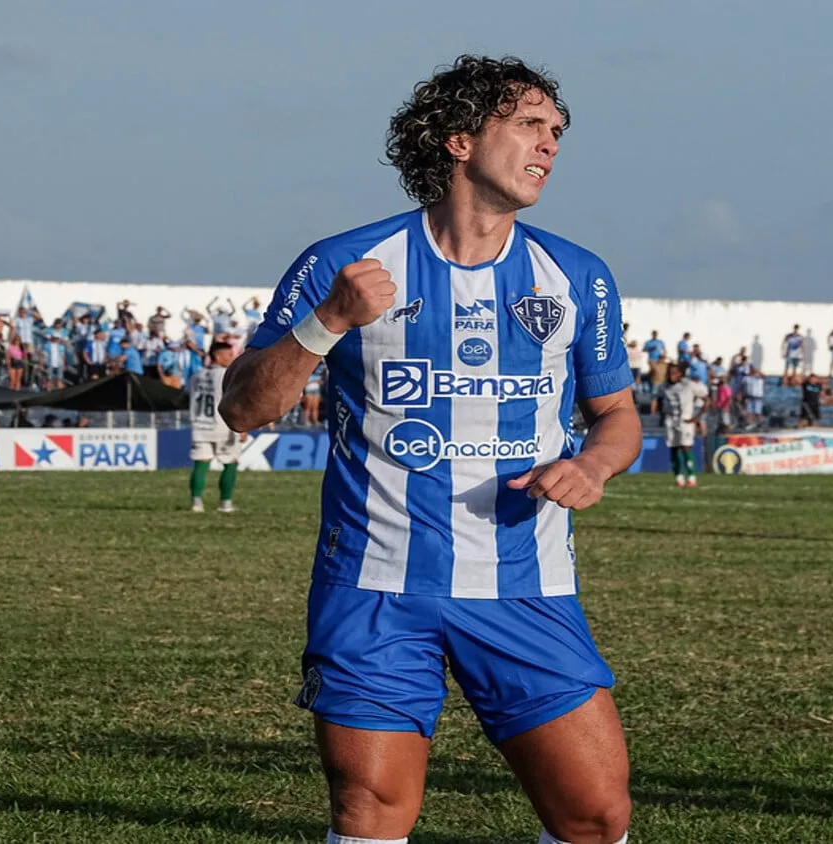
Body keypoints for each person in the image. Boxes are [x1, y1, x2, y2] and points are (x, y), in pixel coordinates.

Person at [217, 56, 639, 844]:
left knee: (595, 814)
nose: (550, 144)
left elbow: (618, 416)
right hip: (375, 586)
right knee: (369, 812)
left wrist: (593, 463)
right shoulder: (345, 262)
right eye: (529, 124)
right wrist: (327, 321)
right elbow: (243, 409)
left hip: (525, 585)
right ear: (458, 139)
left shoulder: (577, 276)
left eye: (557, 131)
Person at [188, 341, 245, 513]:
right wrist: (241, 426)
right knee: (230, 462)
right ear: (218, 357)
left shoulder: (196, 375)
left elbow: (187, 394)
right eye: (229, 355)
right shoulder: (227, 374)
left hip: (200, 425)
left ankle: (196, 502)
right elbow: (235, 401)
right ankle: (225, 503)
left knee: (201, 463)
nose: (232, 358)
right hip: (223, 425)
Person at [657, 363, 707, 487]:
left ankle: (691, 476)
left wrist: (696, 418)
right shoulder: (663, 386)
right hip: (670, 420)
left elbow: (706, 399)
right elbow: (659, 399)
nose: (671, 375)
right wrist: (662, 414)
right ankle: (678, 476)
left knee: (686, 447)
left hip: (685, 420)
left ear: (680, 374)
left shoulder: (689, 385)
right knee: (674, 448)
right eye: (669, 372)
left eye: (674, 373)